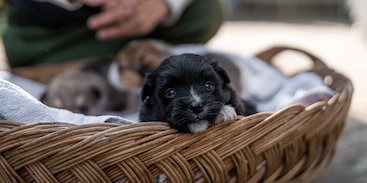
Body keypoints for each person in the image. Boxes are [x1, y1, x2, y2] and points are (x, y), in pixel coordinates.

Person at [1, 0, 224, 68]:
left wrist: (163, 4)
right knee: (25, 54)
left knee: (207, 9)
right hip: (50, 31)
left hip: (141, 13)